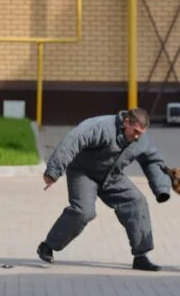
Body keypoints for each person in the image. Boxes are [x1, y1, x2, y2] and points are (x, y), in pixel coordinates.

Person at [38, 108, 171, 272]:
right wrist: (54, 171)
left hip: (112, 176)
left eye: (141, 133)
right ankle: (48, 246)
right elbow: (73, 140)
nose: (137, 136)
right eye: (135, 131)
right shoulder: (101, 127)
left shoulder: (141, 139)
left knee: (137, 201)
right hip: (83, 173)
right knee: (84, 212)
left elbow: (152, 161)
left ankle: (141, 257)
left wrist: (161, 187)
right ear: (126, 122)